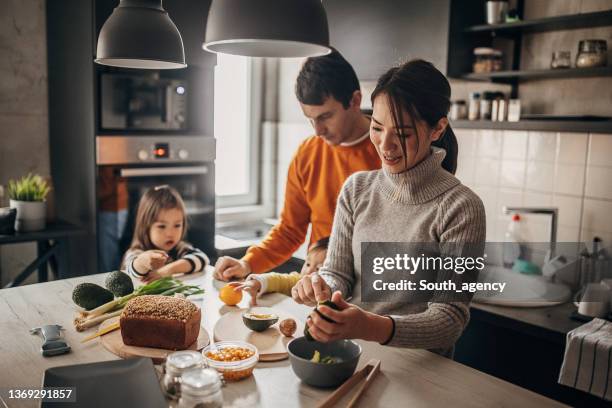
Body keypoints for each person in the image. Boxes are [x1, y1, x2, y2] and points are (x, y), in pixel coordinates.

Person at [291, 60, 486, 357]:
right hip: (349, 355)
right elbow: (338, 274)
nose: (386, 145)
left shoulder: (462, 208)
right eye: (378, 128)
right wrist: (320, 286)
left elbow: (450, 319)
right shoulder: (356, 189)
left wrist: (369, 326)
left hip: (421, 374)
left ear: (437, 129)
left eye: (403, 134)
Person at [214, 50, 381, 281]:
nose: (317, 130)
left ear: (354, 100)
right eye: (310, 119)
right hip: (319, 289)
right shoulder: (308, 153)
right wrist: (247, 264)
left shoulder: (390, 152)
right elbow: (290, 231)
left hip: (374, 292)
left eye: (325, 117)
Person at [122, 185, 209, 282]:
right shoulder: (137, 251)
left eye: (177, 225)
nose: (170, 233)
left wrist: (168, 270)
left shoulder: (179, 248)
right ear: (146, 227)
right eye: (162, 226)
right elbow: (131, 270)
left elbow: (202, 259)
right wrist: (142, 261)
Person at [228, 237, 329, 306]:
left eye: (318, 268)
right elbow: (279, 280)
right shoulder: (299, 280)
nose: (309, 271)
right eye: (307, 264)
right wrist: (257, 282)